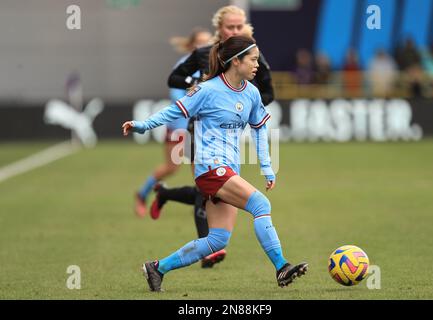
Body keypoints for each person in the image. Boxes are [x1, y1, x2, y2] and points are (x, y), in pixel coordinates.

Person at [122, 36, 308, 292]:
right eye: (253, 59)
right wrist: (142, 125)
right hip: (209, 168)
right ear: (236, 61)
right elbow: (174, 111)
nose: (258, 65)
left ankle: (157, 268)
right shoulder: (207, 90)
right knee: (260, 204)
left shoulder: (252, 93)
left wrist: (266, 167)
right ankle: (281, 267)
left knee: (218, 239)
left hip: (228, 169)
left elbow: (259, 131)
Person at [148, 5, 275, 268]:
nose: (235, 30)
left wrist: (242, 103)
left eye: (240, 26)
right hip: (200, 133)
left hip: (229, 134)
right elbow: (175, 78)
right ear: (219, 28)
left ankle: (171, 202)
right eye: (231, 26)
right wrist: (194, 89)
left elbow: (268, 94)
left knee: (210, 190)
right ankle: (208, 246)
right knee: (207, 185)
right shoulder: (204, 53)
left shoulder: (253, 57)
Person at [134, 28, 212, 217]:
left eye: (207, 42)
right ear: (192, 45)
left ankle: (204, 212)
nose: (203, 46)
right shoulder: (184, 65)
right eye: (199, 42)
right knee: (171, 167)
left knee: (203, 174)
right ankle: (143, 194)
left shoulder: (214, 64)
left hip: (201, 129)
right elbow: (177, 95)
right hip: (180, 127)